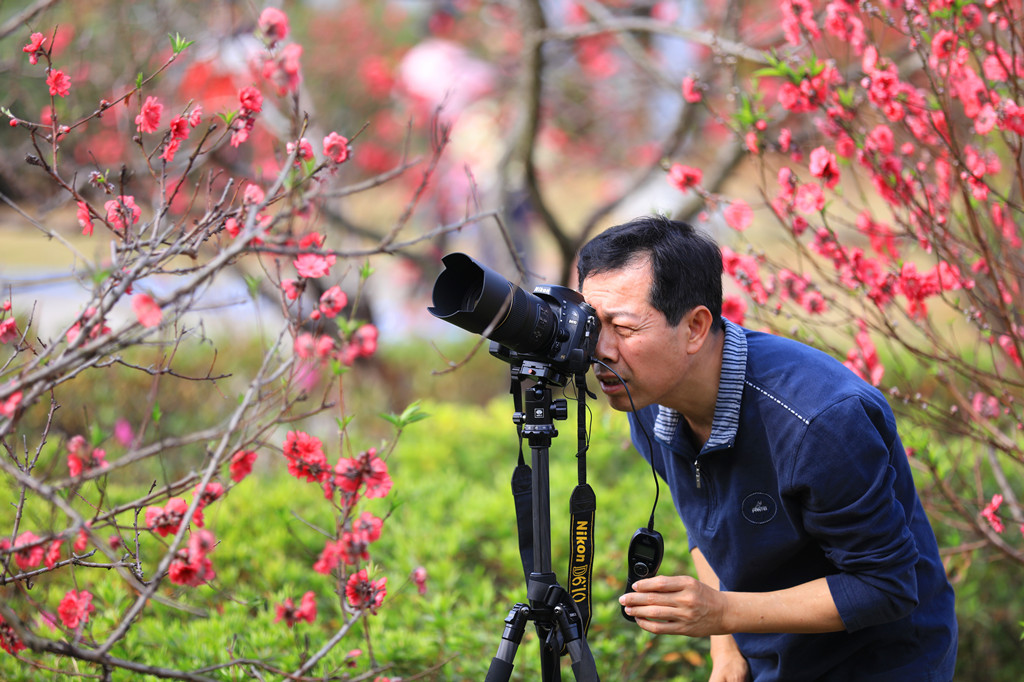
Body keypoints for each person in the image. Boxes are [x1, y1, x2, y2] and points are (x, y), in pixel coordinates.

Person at [577, 215, 957, 681]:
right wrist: (726, 650)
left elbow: (887, 586)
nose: (601, 349)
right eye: (592, 322)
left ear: (695, 327)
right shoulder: (645, 397)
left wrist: (722, 614)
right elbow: (706, 521)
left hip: (884, 663)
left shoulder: (819, 421)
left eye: (624, 327)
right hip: (770, 656)